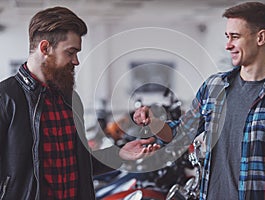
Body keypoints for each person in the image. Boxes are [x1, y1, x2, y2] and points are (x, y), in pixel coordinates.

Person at [133, 2, 265, 200]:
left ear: (260, 38)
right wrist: (154, 122)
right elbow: (181, 135)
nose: (228, 45)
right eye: (227, 37)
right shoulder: (214, 87)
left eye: (235, 37)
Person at [0, 6, 159, 200]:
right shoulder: (6, 97)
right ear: (45, 48)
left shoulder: (70, 99)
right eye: (71, 52)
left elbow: (80, 163)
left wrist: (120, 155)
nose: (76, 61)